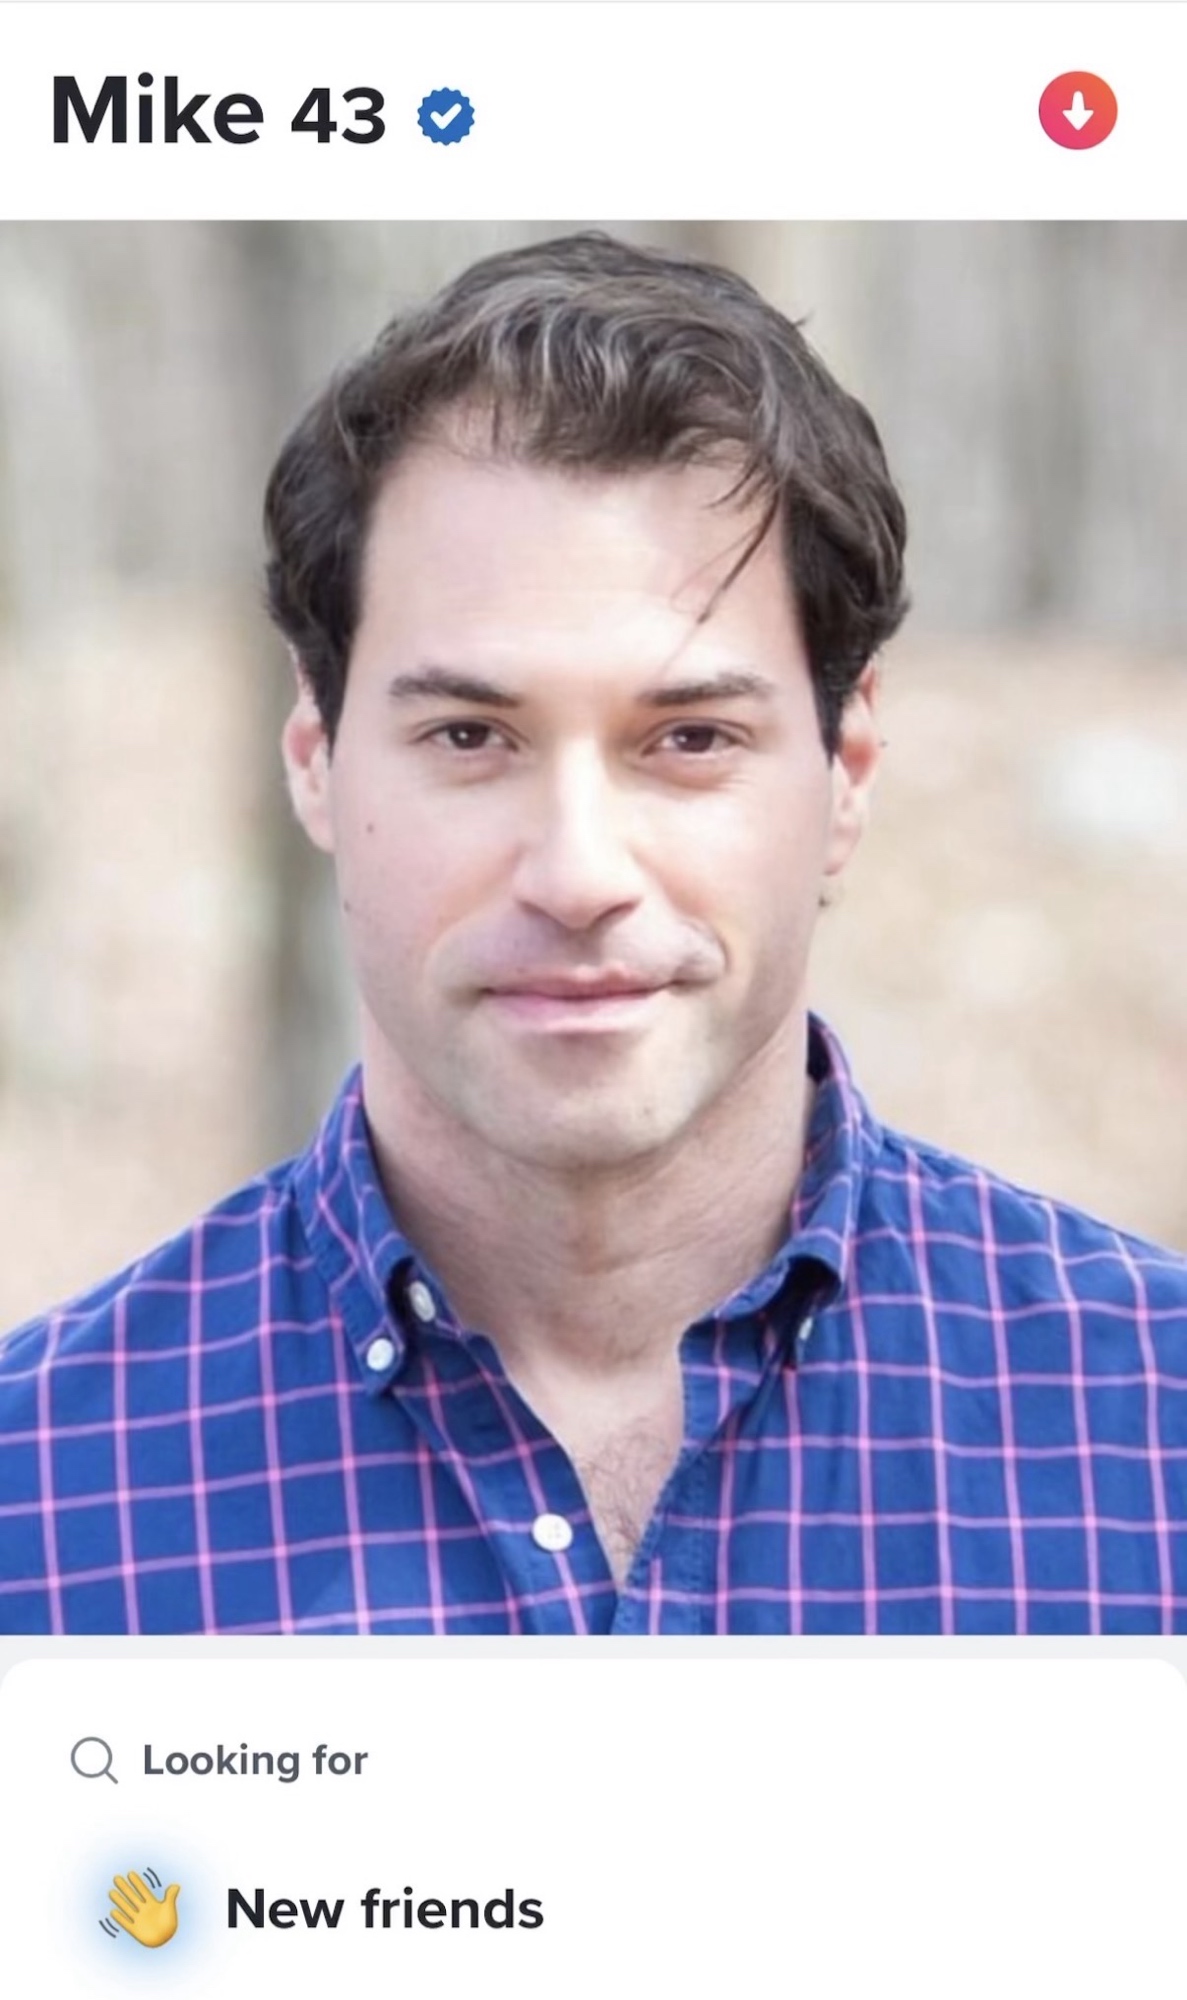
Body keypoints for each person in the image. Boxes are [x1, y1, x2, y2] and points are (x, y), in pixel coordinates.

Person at [1, 232, 1184, 1636]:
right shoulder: (39, 1497)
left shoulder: (1151, 1430)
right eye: (470, 736)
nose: (578, 874)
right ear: (315, 759)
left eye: (690, 738)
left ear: (848, 770)